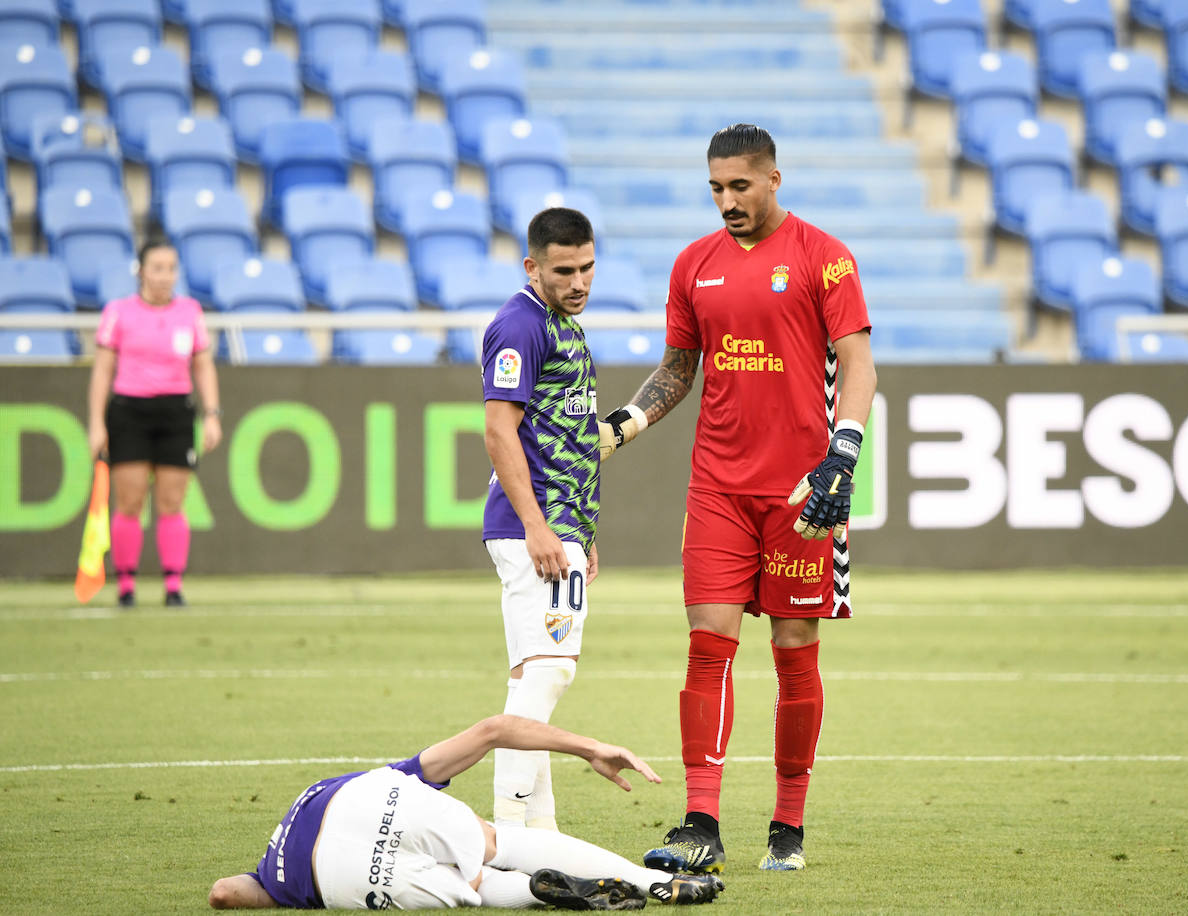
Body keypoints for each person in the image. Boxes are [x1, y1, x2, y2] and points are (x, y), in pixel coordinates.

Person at [598, 124, 877, 873]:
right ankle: (701, 824)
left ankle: (788, 824)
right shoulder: (693, 264)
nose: (727, 201)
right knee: (707, 645)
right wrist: (623, 425)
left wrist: (842, 452)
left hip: (801, 492)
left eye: (740, 187)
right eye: (716, 189)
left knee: (794, 650)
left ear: (773, 180)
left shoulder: (825, 257)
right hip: (717, 486)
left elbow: (859, 364)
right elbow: (679, 368)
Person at [206, 714, 725, 909]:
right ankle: (647, 881)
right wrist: (589, 747)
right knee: (501, 844)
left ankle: (536, 892)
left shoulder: (272, 874)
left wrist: (273, 887)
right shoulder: (372, 780)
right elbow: (493, 731)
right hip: (368, 800)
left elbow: (224, 893)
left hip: (332, 880)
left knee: (468, 884)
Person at [481, 208, 601, 834]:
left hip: (560, 526)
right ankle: (503, 828)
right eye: (564, 270)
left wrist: (582, 531)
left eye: (586, 267)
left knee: (534, 673)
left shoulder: (560, 323)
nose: (579, 281)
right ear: (532, 266)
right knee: (552, 671)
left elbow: (566, 434)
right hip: (532, 528)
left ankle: (541, 832)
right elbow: (499, 429)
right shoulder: (519, 325)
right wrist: (540, 527)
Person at [87, 238, 222, 608]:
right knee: (129, 500)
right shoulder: (118, 312)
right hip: (129, 411)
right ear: (141, 271)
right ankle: (127, 583)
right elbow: (102, 371)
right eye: (157, 268)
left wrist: (211, 414)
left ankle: (173, 584)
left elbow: (203, 365)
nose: (165, 276)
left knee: (172, 500)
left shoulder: (190, 311)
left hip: (176, 411)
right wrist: (97, 422)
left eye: (171, 269)